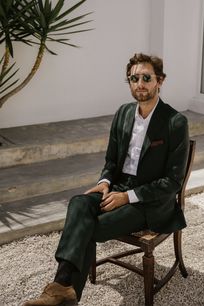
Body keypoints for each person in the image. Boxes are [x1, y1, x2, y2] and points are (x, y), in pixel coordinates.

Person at [23, 53, 189, 306]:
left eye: (146, 78)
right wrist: (104, 183)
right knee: (79, 203)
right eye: (134, 78)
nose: (140, 84)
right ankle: (64, 288)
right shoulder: (123, 113)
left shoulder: (175, 122)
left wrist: (127, 197)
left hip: (150, 202)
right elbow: (111, 161)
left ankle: (62, 290)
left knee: (90, 228)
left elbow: (173, 182)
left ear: (160, 81)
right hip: (118, 189)